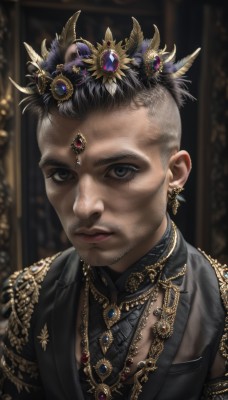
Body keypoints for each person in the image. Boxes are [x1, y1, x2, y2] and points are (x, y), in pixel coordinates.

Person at [0, 10, 227, 400]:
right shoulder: (28, 295)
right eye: (61, 175)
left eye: (119, 171)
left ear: (175, 172)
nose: (84, 207)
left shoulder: (221, 306)